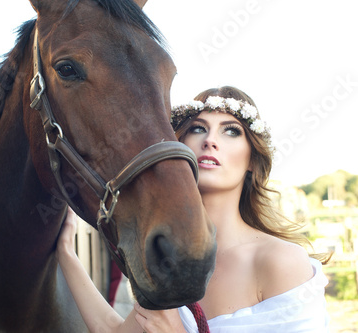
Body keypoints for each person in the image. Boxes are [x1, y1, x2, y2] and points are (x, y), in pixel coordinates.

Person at [56, 86, 330, 332]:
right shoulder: (168, 264)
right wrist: (66, 254)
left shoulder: (281, 262)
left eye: (231, 131)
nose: (210, 140)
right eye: (198, 128)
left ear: (251, 161)